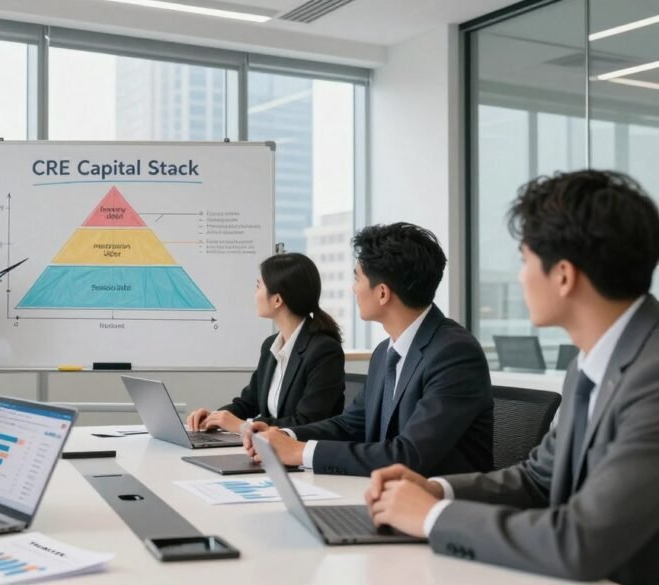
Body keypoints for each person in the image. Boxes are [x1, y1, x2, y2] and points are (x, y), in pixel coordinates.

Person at [365, 170, 659, 585]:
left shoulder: (651, 377)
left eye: (524, 260)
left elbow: (581, 542)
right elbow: (538, 479)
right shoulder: (591, 365)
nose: (520, 276)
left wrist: (432, 517)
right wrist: (436, 491)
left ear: (563, 275)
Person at [245, 223, 493, 477]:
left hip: (439, 505)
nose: (353, 288)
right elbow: (351, 424)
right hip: (384, 494)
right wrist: (284, 436)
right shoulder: (385, 352)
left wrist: (299, 452)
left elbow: (409, 455)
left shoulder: (454, 354)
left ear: (383, 293)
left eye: (357, 278)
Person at [186, 253, 345, 432]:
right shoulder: (271, 345)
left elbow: (307, 422)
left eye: (258, 286)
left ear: (277, 299)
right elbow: (249, 402)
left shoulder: (323, 350)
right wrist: (214, 417)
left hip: (300, 453)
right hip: (269, 448)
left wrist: (245, 427)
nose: (255, 293)